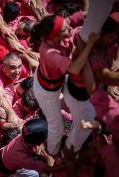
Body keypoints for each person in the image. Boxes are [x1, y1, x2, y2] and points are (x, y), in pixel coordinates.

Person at [31, 15, 98, 156]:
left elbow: (74, 18)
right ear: (54, 38)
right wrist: (90, 44)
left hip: (54, 81)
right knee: (57, 126)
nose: (69, 29)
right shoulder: (50, 53)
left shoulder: (57, 31)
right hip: (46, 91)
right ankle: (52, 152)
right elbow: (74, 69)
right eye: (65, 30)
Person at [0, 117, 68, 176]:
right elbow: (50, 169)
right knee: (35, 175)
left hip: (5, 157)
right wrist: (70, 163)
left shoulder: (27, 132)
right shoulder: (23, 158)